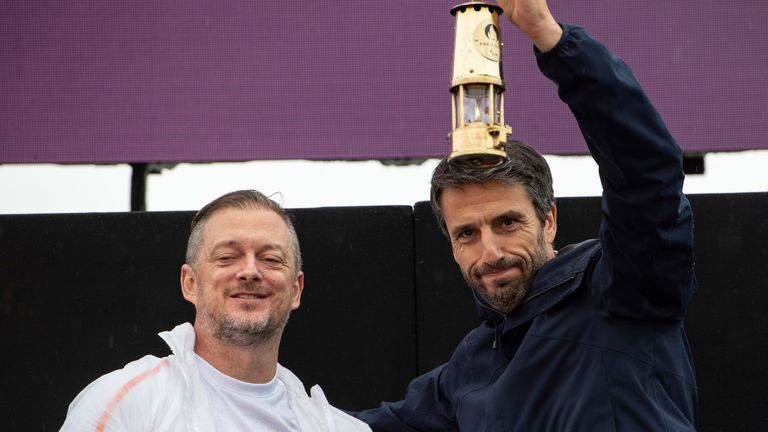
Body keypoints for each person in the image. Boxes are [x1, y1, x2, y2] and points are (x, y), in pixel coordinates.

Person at [355, 0, 698, 430]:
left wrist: (551, 37)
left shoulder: (622, 288)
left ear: (548, 219)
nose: (491, 251)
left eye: (507, 222)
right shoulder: (466, 370)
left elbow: (647, 172)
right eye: (467, 234)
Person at [61, 190, 371, 431]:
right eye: (227, 257)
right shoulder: (126, 402)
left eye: (271, 259)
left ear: (296, 289)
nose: (250, 271)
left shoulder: (337, 428)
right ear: (190, 283)